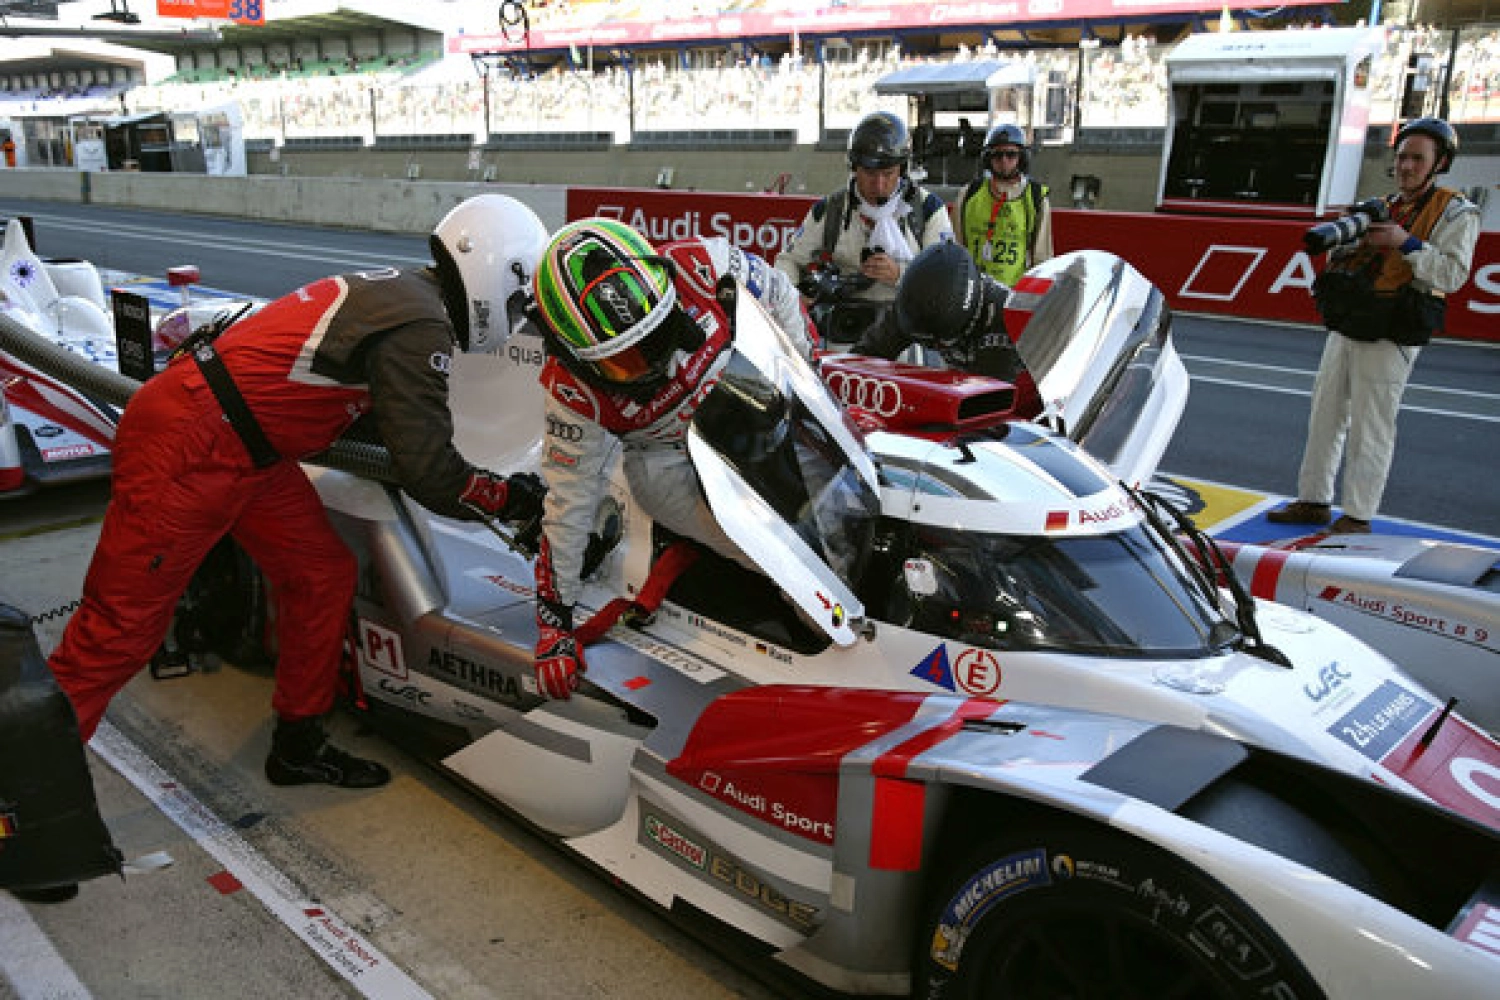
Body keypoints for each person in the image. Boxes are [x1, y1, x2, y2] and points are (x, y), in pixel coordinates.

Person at [46, 193, 551, 788]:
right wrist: (509, 499)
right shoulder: (420, 325)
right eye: (517, 299)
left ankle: (297, 744)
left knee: (322, 574)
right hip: (194, 447)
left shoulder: (403, 295)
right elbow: (430, 472)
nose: (514, 315)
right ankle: (27, 795)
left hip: (242, 448)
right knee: (116, 634)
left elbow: (380, 425)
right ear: (493, 269)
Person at [528, 218, 813, 700]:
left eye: (656, 337)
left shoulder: (705, 263)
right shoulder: (570, 391)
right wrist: (554, 622)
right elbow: (569, 503)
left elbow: (782, 293)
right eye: (623, 359)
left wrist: (802, 376)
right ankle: (793, 588)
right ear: (575, 356)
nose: (651, 363)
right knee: (779, 548)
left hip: (751, 405)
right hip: (667, 459)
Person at [1267, 117, 1480, 534]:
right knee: (1324, 414)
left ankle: (1358, 514)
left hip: (1393, 327)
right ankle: (1313, 500)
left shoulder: (1457, 212)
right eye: (1401, 157)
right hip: (1352, 319)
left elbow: (1452, 275)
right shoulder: (1380, 205)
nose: (1406, 166)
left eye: (1417, 159)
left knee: (1372, 424)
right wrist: (1351, 238)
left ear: (1440, 164)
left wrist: (1405, 243)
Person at [773, 110, 953, 337]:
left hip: (907, 332)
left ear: (903, 168)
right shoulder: (831, 210)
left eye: (888, 173)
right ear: (854, 167)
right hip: (844, 331)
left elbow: (946, 282)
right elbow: (788, 261)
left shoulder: (928, 210)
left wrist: (901, 274)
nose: (879, 185)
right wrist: (794, 296)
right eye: (869, 173)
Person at [853, 240, 1027, 389]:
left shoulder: (1003, 325)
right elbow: (862, 359)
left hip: (1021, 396)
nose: (936, 347)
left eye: (941, 342)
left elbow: (988, 404)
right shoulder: (913, 307)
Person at [953, 123, 1053, 287]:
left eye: (1011, 155)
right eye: (997, 155)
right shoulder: (968, 194)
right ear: (988, 159)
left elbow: (1042, 258)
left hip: (1014, 292)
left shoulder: (1036, 198)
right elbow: (956, 247)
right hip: (973, 289)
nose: (1004, 161)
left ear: (1022, 158)